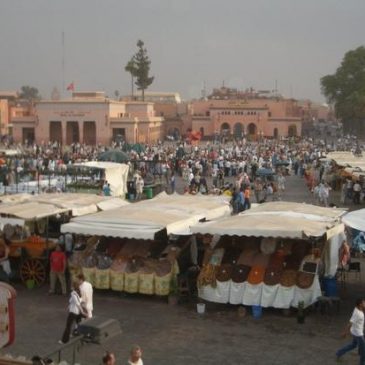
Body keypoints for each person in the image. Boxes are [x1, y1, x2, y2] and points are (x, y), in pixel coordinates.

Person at [336, 298, 365, 364]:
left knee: (353, 345)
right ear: (360, 304)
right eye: (364, 303)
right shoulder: (357, 313)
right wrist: (345, 332)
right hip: (358, 334)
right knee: (364, 351)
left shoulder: (357, 309)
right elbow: (350, 323)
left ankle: (339, 353)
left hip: (355, 331)